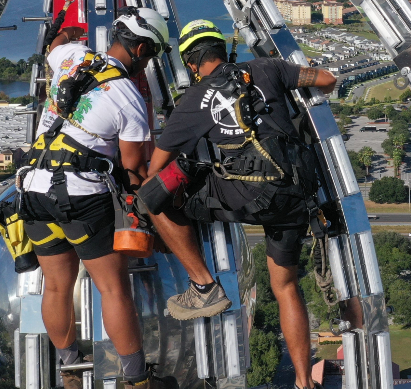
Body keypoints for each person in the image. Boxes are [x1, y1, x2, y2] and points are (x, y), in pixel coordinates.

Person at [138, 20, 337, 389]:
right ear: (222, 51)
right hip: (296, 194)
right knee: (286, 286)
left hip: (246, 196)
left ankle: (204, 287)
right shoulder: (267, 69)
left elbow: (155, 169)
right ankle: (303, 382)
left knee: (153, 199)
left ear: (192, 63)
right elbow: (326, 79)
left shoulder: (194, 101)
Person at [18, 7, 172, 389]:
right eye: (150, 54)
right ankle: (136, 379)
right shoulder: (128, 98)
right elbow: (134, 169)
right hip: (82, 197)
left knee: (56, 286)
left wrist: (66, 31)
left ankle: (70, 368)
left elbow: (54, 45)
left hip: (33, 190)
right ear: (138, 49)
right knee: (113, 288)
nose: (147, 63)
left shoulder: (73, 56)